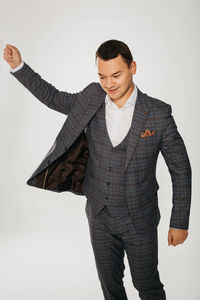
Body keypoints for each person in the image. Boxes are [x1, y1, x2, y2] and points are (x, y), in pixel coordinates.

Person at [3, 40, 191, 300]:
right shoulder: (92, 97)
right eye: (102, 76)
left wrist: (179, 222)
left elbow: (181, 169)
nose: (109, 84)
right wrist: (19, 67)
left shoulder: (158, 114)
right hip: (99, 216)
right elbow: (53, 97)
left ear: (132, 67)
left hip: (139, 220)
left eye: (116, 75)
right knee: (110, 287)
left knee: (148, 287)